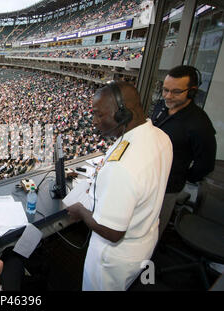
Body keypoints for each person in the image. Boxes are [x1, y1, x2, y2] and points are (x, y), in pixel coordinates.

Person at [65, 81, 173, 290]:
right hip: (144, 239)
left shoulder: (122, 167)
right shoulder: (161, 137)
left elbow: (113, 232)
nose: (94, 121)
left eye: (99, 114)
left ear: (123, 114)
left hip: (112, 259)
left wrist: (81, 211)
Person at [151, 65, 217, 237]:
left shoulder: (200, 124)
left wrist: (181, 175)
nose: (167, 96)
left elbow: (206, 163)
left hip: (168, 188)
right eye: (165, 90)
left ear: (192, 91)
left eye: (176, 92)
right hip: (146, 179)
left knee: (152, 233)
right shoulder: (160, 106)